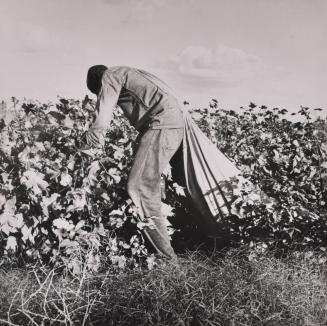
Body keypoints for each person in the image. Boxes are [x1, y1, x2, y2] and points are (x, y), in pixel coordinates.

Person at [83, 65, 185, 260]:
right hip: (173, 123)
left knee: (139, 188)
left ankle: (168, 262)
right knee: (155, 183)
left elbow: (103, 115)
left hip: (161, 125)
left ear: (98, 82)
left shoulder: (109, 76)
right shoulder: (127, 73)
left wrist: (90, 142)